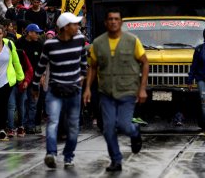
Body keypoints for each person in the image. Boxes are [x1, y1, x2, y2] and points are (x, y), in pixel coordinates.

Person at [84, 9, 148, 173]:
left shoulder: (132, 41)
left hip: (127, 91)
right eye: (110, 19)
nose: (113, 22)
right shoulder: (98, 43)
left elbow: (145, 62)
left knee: (124, 125)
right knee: (108, 127)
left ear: (121, 22)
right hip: (106, 92)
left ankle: (135, 132)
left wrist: (142, 89)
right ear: (106, 22)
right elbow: (92, 66)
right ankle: (116, 160)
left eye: (116, 19)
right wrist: (87, 89)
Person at [32, 12, 87, 169]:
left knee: (73, 126)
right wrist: (35, 85)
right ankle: (51, 153)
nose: (77, 27)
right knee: (53, 122)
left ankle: (68, 156)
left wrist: (83, 78)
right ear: (65, 27)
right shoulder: (50, 45)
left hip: (74, 90)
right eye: (74, 24)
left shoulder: (80, 40)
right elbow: (41, 66)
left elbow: (83, 63)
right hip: (55, 90)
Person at [16, 23, 44, 134]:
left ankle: (31, 124)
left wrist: (43, 75)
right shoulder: (19, 43)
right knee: (23, 102)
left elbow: (43, 61)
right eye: (36, 33)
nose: (38, 35)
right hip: (22, 78)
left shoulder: (39, 44)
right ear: (29, 33)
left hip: (35, 78)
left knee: (33, 102)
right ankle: (22, 124)